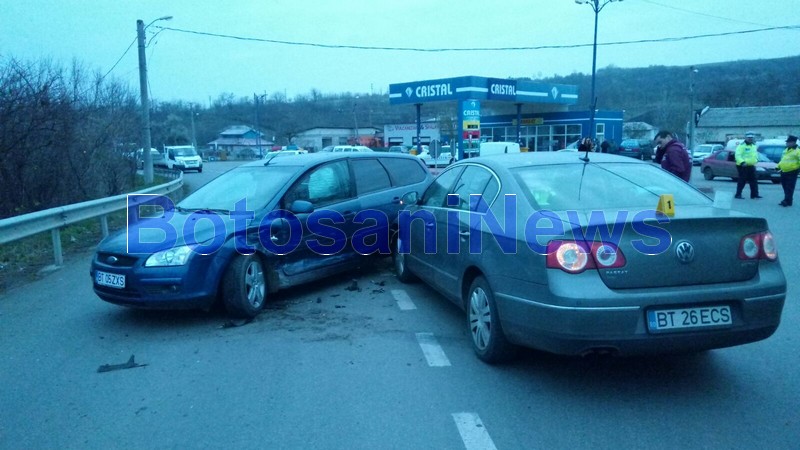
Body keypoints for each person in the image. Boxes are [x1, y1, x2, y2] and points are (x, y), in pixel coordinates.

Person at [734, 131, 761, 199]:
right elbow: (737, 155)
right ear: (745, 138)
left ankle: (754, 195)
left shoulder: (754, 146)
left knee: (754, 180)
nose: (750, 139)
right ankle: (738, 194)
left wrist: (756, 160)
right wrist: (742, 162)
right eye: (749, 137)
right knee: (742, 180)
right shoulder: (741, 146)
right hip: (743, 166)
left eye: (751, 137)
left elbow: (755, 155)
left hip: (751, 165)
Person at [777, 135, 800, 206]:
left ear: (793, 142)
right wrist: (778, 166)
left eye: (788, 142)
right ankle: (788, 200)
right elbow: (782, 160)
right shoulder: (786, 150)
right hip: (783, 171)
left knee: (789, 187)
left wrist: (797, 169)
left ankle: (787, 200)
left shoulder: (798, 151)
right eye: (787, 142)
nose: (787, 143)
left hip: (792, 171)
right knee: (785, 186)